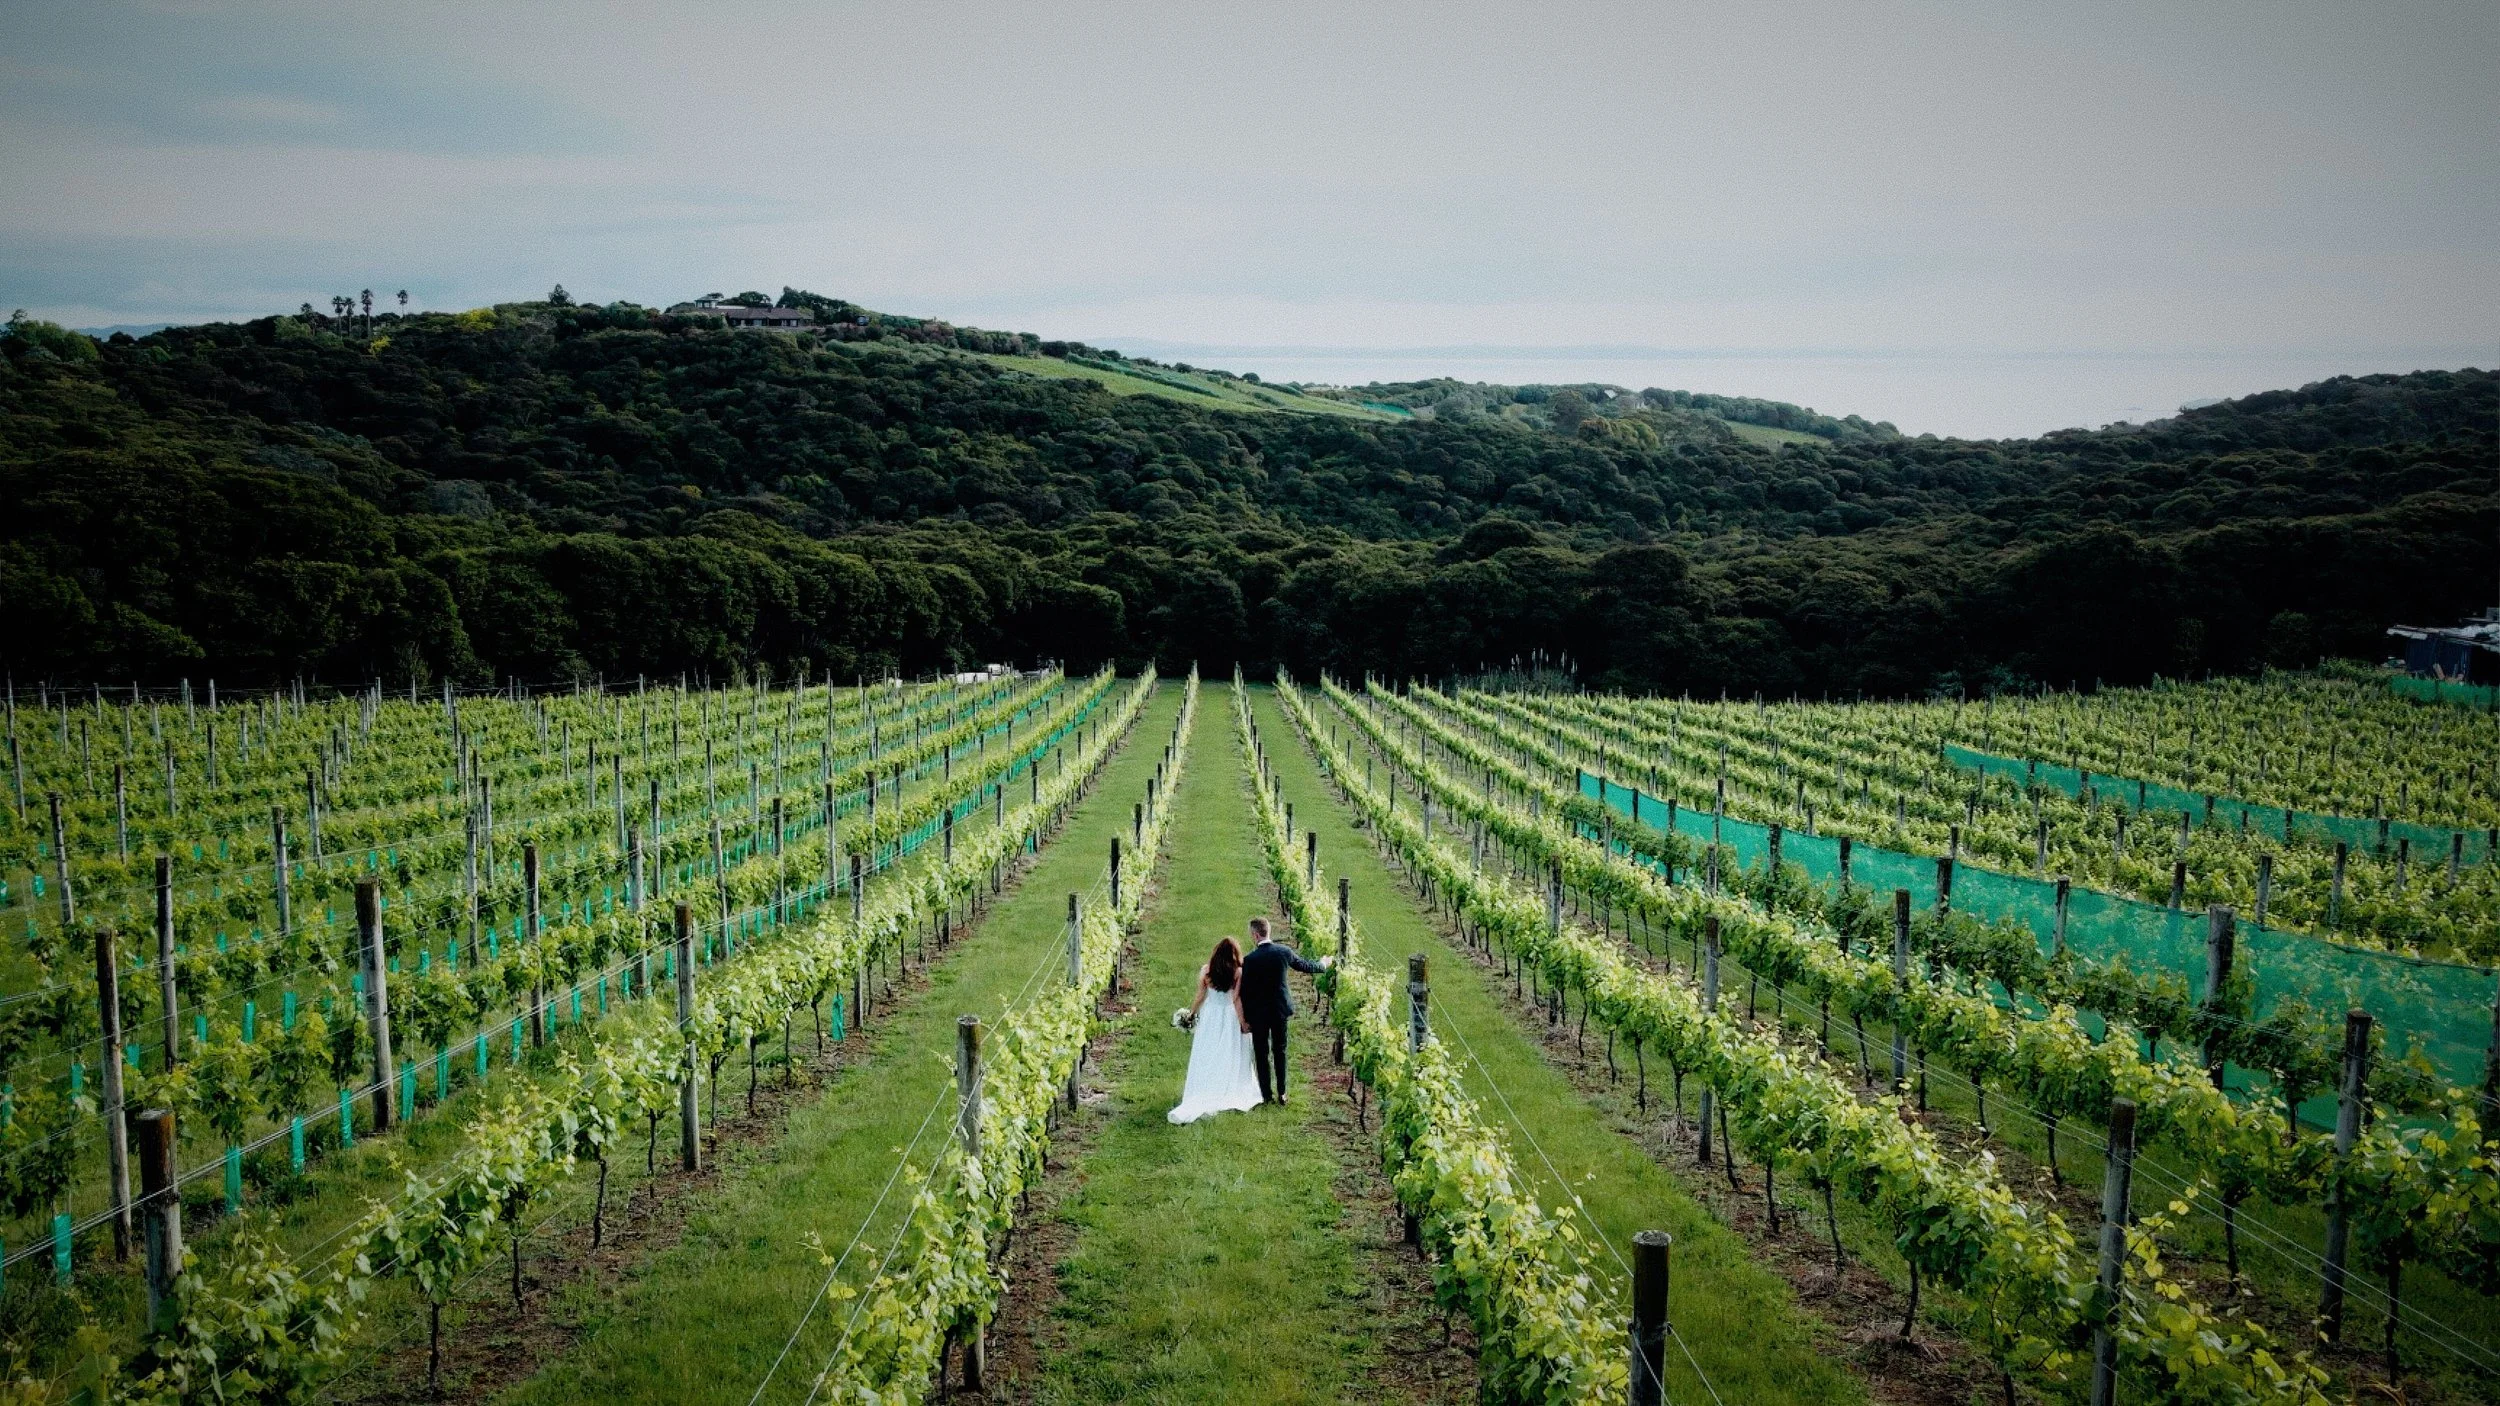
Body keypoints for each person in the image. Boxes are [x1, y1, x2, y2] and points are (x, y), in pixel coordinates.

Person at [1236, 916, 1333, 1105]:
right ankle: (1282, 1092)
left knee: (1261, 1053)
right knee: (1280, 1050)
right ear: (1268, 931)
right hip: (1279, 1009)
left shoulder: (1249, 960)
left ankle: (1266, 1095)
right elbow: (1305, 966)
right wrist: (1323, 964)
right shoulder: (1283, 952)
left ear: (1255, 935)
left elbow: (1245, 992)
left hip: (1259, 1013)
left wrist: (1245, 1019)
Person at [1168, 937, 1264, 1123]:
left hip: (1211, 1014)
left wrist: (1191, 1014)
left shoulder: (1206, 971)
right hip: (1229, 1016)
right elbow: (1236, 999)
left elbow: (1200, 996)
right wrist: (1243, 1022)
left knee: (1209, 1050)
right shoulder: (1237, 972)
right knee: (1231, 1050)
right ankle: (1229, 1083)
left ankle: (1207, 1084)